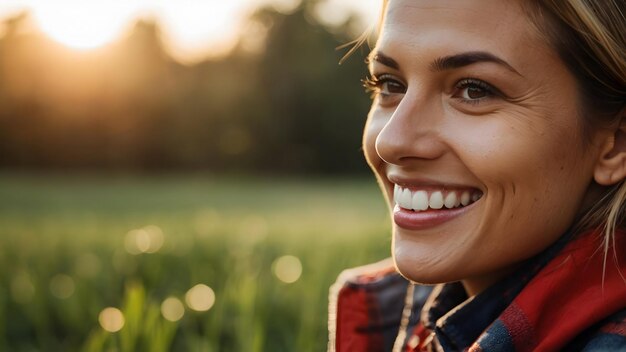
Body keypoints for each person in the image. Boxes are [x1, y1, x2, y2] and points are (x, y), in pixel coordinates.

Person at [328, 1, 626, 351]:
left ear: (616, 144)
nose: (391, 141)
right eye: (391, 84)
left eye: (474, 90)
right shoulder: (390, 313)